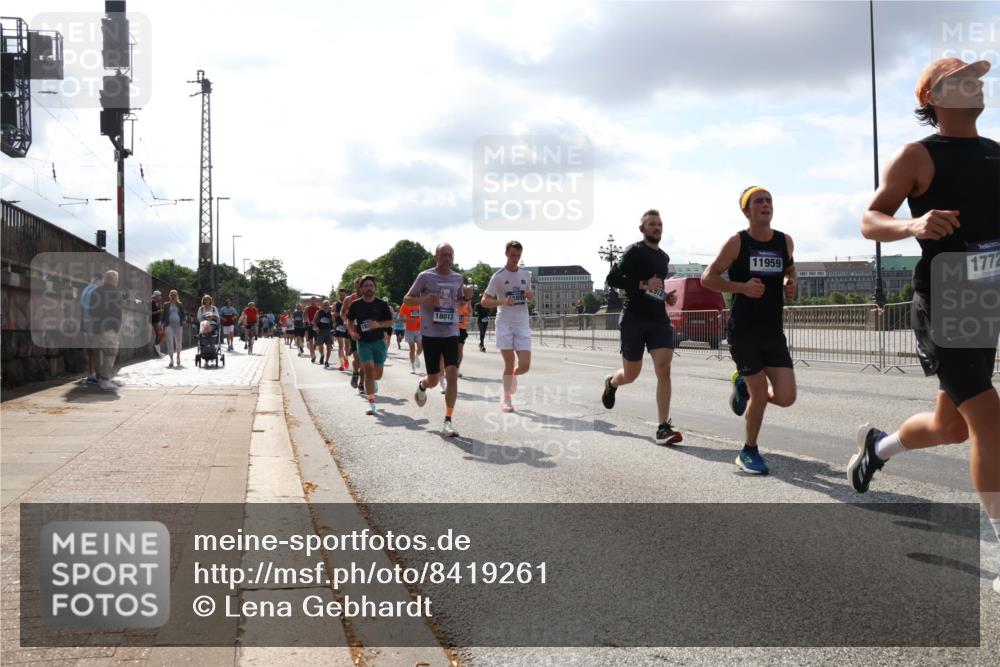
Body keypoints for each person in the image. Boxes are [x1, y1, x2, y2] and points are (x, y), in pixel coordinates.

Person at [844, 57, 1000, 594]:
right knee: (989, 420)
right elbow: (870, 219)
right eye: (962, 78)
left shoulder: (996, 154)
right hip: (946, 294)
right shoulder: (919, 156)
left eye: (979, 77)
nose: (976, 84)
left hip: (986, 296)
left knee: (952, 426)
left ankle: (878, 448)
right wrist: (912, 222)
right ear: (933, 96)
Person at [701, 188, 798, 474]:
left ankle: (741, 384)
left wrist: (791, 284)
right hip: (743, 331)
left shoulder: (784, 241)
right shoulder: (737, 242)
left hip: (773, 332)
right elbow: (708, 278)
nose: (766, 205)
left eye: (769, 201)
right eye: (759, 201)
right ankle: (748, 451)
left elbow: (791, 270)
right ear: (747, 211)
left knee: (786, 397)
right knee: (759, 395)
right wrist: (741, 287)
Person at [601, 209, 683, 446]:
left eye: (659, 224)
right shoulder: (633, 251)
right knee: (631, 375)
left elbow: (655, 287)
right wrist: (643, 283)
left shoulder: (664, 258)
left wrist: (665, 297)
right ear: (642, 229)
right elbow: (612, 279)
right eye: (651, 224)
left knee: (664, 369)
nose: (656, 227)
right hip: (634, 319)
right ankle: (612, 382)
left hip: (658, 319)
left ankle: (662, 427)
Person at [405, 243, 465, 436]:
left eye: (450, 255)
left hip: (451, 333)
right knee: (434, 379)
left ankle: (448, 421)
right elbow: (407, 299)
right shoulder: (425, 276)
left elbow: (460, 302)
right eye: (444, 254)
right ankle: (422, 385)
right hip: (430, 334)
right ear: (436, 256)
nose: (447, 258)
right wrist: (424, 300)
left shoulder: (458, 278)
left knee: (452, 374)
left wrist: (467, 299)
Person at [481, 241, 534, 412]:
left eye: (518, 256)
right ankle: (506, 398)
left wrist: (530, 295)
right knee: (509, 362)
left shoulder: (526, 273)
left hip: (522, 324)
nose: (515, 259)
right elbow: (484, 301)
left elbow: (529, 294)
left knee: (525, 366)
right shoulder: (498, 276)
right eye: (512, 255)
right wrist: (502, 301)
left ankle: (512, 377)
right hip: (504, 323)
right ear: (506, 254)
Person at [347, 275, 394, 415]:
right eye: (366, 286)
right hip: (363, 342)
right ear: (361, 289)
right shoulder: (356, 305)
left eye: (371, 286)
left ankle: (373, 383)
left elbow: (390, 322)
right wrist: (351, 333)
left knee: (377, 375)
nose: (369, 288)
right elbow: (349, 321)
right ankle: (372, 403)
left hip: (379, 342)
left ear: (375, 288)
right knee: (368, 369)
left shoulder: (381, 304)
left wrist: (378, 324)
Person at [89, 270, 122, 391]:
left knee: (98, 354)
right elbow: (117, 312)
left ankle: (99, 377)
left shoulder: (96, 291)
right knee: (110, 353)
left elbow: (91, 311)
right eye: (117, 280)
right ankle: (105, 379)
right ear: (114, 280)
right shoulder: (116, 293)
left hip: (96, 327)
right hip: (109, 329)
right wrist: (117, 327)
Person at [80, 272, 102, 384]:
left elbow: (82, 308)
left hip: (85, 322)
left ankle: (91, 373)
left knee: (90, 349)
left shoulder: (84, 290)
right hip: (94, 323)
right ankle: (97, 374)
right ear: (98, 280)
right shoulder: (96, 290)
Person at [162, 290, 186, 368]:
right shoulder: (166, 304)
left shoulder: (180, 304)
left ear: (177, 296)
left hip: (178, 325)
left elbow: (183, 314)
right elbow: (164, 314)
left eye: (175, 295)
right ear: (170, 295)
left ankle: (178, 356)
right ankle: (171, 359)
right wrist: (162, 324)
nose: (173, 296)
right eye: (172, 294)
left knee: (178, 342)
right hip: (168, 325)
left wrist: (183, 320)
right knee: (170, 342)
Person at [399, 300, 423, 373]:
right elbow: (400, 319)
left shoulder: (421, 303)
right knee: (412, 348)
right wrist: (409, 320)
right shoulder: (405, 304)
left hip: (419, 329)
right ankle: (413, 367)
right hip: (409, 330)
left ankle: (416, 357)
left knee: (420, 348)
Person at [313, 300, 336, 367]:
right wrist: (316, 327)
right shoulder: (319, 312)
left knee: (329, 348)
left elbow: (334, 322)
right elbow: (314, 321)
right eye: (324, 305)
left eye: (327, 305)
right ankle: (322, 355)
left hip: (328, 332)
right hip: (320, 331)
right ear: (322, 305)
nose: (326, 306)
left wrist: (333, 328)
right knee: (320, 346)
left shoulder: (331, 314)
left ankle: (326, 361)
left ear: (329, 305)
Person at [304, 296, 320, 362]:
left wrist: (317, 324)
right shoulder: (307, 308)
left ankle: (312, 350)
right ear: (310, 301)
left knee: (316, 341)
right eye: (311, 300)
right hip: (310, 325)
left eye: (314, 300)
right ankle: (313, 355)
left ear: (316, 301)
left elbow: (319, 317)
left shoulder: (318, 308)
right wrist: (308, 322)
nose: (313, 301)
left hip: (316, 326)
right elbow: (305, 316)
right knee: (311, 341)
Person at [151, 291, 164, 357]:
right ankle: (157, 349)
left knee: (162, 334)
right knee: (159, 333)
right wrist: (158, 311)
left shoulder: (158, 303)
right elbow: (150, 313)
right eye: (160, 295)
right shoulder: (152, 302)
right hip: (154, 321)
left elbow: (160, 311)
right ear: (156, 296)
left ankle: (157, 347)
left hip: (158, 320)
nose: (161, 297)